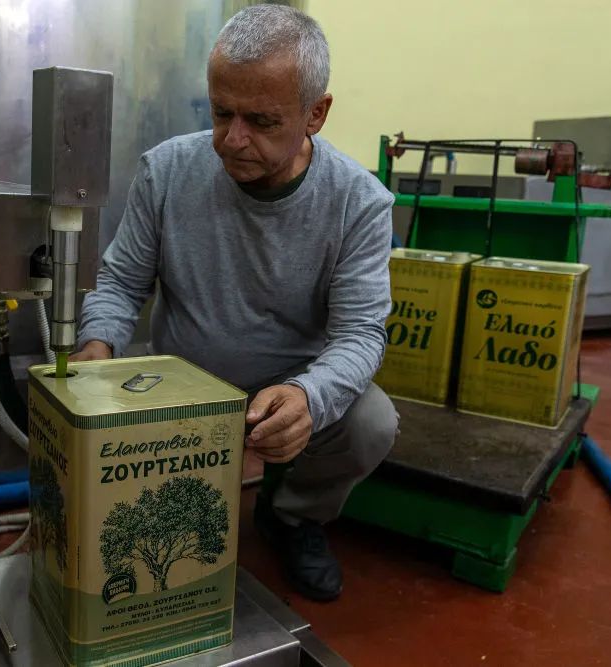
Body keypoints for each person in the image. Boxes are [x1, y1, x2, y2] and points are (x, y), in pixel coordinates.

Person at [71, 4, 397, 602]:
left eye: (262, 121)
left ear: (316, 113)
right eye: (221, 112)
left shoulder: (359, 203)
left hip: (284, 389)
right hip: (178, 383)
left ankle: (293, 515)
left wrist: (308, 396)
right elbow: (120, 282)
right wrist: (96, 348)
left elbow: (360, 335)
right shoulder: (167, 171)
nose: (232, 139)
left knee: (370, 424)